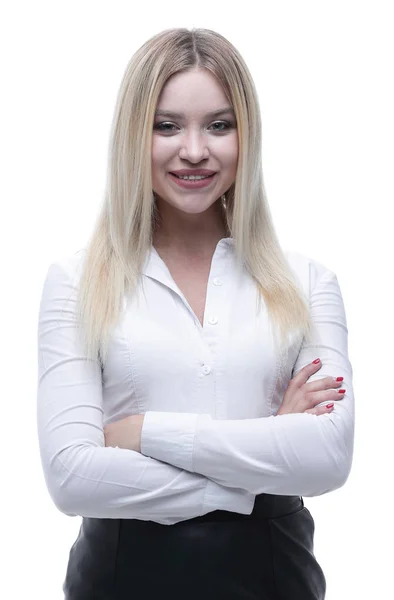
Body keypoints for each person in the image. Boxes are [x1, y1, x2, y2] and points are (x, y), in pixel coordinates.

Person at [36, 27, 355, 600]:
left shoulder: (308, 283)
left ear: (245, 135)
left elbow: (327, 459)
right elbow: (72, 478)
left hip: (273, 577)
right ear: (135, 135)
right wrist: (267, 443)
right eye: (166, 125)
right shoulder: (78, 281)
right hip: (120, 580)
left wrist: (139, 433)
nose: (193, 150)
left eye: (218, 124)